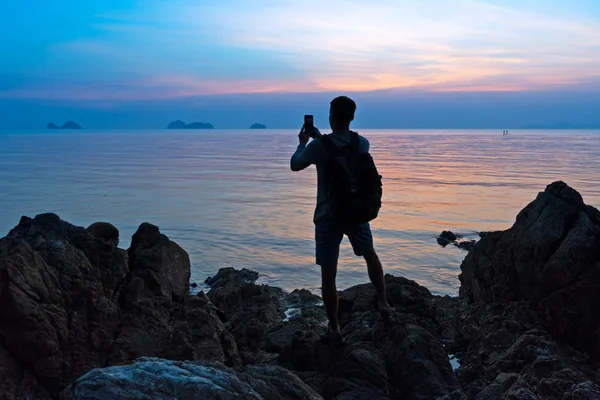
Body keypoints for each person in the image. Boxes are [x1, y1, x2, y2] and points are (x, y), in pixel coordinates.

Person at [290, 96, 393, 344]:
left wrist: (303, 143)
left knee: (329, 273)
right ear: (352, 117)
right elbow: (340, 147)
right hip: (357, 212)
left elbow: (295, 164)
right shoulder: (362, 144)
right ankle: (384, 302)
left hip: (328, 215)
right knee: (370, 254)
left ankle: (334, 328)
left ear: (331, 115)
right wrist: (320, 137)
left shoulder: (318, 147)